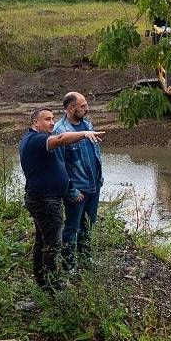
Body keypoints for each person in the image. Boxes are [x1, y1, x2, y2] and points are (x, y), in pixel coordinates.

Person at [19, 107, 103, 292]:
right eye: (47, 119)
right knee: (52, 244)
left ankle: (43, 281)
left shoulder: (31, 139)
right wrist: (84, 134)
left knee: (43, 241)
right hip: (45, 201)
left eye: (52, 119)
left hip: (43, 198)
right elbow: (60, 139)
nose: (51, 123)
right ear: (35, 123)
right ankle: (52, 287)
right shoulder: (38, 140)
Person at [53, 92, 104, 272]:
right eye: (82, 106)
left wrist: (99, 179)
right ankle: (69, 265)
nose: (87, 108)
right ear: (71, 108)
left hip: (93, 186)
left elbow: (96, 154)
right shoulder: (60, 131)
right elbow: (59, 166)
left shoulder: (87, 125)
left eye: (86, 105)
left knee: (88, 226)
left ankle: (85, 259)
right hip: (77, 189)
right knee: (72, 228)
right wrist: (71, 190)